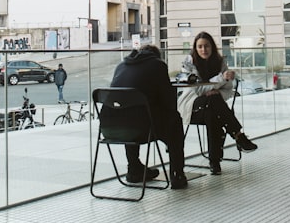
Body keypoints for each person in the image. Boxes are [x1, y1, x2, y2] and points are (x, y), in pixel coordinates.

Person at [108, 44, 188, 189]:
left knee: (128, 116)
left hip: (110, 128)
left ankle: (134, 169)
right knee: (175, 120)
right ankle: (177, 174)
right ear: (156, 56)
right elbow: (168, 101)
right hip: (142, 128)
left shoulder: (121, 66)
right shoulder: (158, 65)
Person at [178, 31, 258, 175]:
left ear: (212, 47)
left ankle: (214, 162)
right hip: (192, 106)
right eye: (200, 47)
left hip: (210, 108)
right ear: (195, 49)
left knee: (212, 109)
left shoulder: (220, 62)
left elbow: (228, 90)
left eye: (207, 46)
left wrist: (218, 92)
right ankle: (238, 136)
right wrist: (220, 79)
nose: (203, 50)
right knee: (213, 105)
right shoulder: (189, 64)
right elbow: (199, 90)